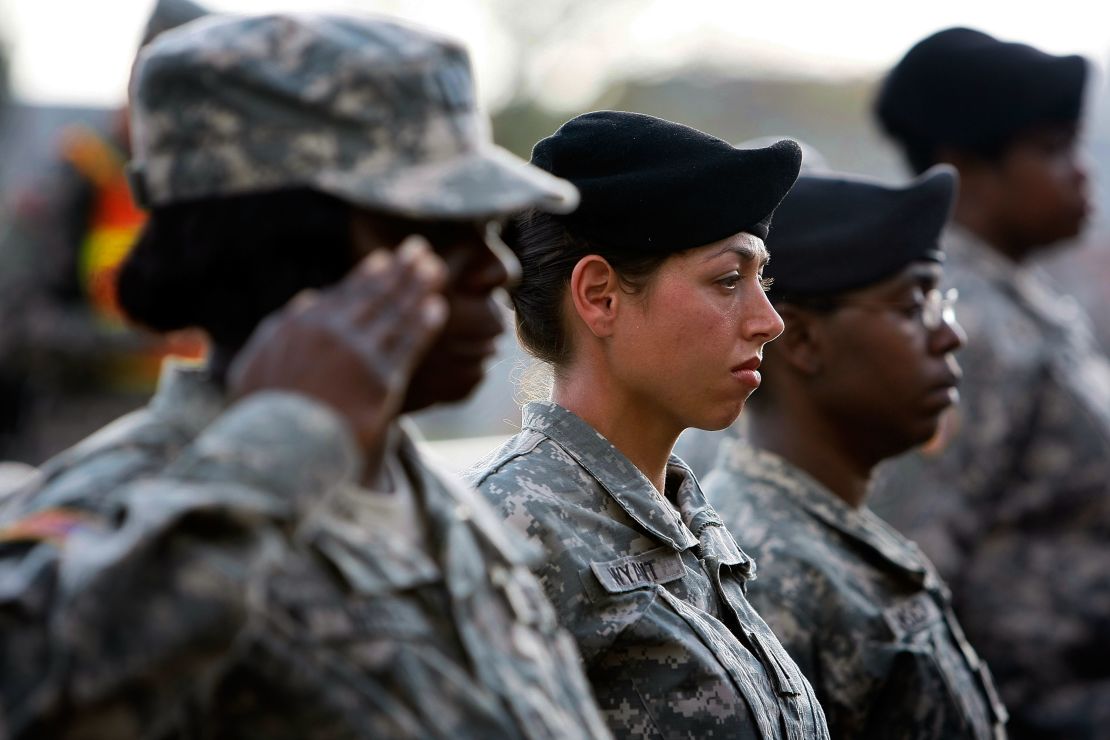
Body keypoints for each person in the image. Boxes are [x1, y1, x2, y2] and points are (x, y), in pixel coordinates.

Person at [0, 14, 613, 739]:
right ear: (286, 251)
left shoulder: (440, 502)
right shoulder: (120, 510)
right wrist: (281, 447)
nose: (498, 269)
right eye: (437, 232)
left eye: (487, 227)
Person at [467, 110, 829, 739]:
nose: (769, 320)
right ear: (600, 295)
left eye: (761, 278)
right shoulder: (508, 531)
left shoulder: (687, 517)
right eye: (727, 279)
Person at [701, 166, 1009, 739]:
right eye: (912, 302)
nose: (949, 334)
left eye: (939, 298)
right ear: (807, 342)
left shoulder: (819, 533)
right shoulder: (772, 570)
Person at [869, 27, 1110, 738]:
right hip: (1024, 705)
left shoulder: (1019, 300)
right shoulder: (960, 322)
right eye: (1051, 149)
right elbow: (913, 555)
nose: (1081, 172)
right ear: (964, 167)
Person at [0, 0, 209, 464]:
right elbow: (15, 328)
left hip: (198, 447)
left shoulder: (224, 192)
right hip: (79, 446)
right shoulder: (77, 180)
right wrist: (141, 339)